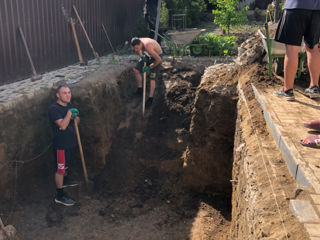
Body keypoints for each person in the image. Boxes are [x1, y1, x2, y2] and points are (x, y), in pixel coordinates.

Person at [274, 0, 320, 101]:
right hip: (316, 10)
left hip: (295, 7)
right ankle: (314, 87)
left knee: (292, 49)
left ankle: (288, 90)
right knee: (313, 48)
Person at [48, 85, 79, 206]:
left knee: (65, 166)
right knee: (60, 169)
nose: (68, 95)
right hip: (60, 145)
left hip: (70, 142)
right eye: (64, 93)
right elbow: (63, 126)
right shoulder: (53, 109)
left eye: (69, 92)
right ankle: (59, 195)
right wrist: (69, 114)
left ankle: (65, 180)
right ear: (58, 95)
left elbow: (77, 121)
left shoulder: (69, 105)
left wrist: (75, 116)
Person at [131, 37, 163, 108]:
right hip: (147, 55)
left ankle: (150, 99)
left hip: (156, 56)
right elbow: (139, 51)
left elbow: (159, 60)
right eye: (134, 48)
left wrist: (149, 67)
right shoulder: (138, 42)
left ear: (140, 44)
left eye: (137, 48)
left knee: (152, 77)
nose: (136, 50)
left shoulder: (148, 46)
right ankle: (140, 90)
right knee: (136, 70)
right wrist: (142, 57)